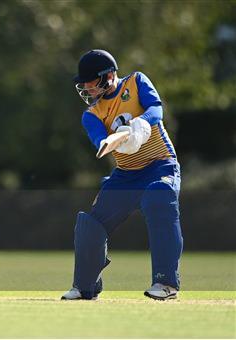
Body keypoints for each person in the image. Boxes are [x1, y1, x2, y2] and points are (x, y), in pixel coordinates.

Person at [62, 50, 183, 301]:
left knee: (159, 196)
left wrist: (141, 125)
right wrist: (118, 141)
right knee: (90, 223)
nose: (86, 88)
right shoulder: (92, 114)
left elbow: (156, 110)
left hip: (160, 165)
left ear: (108, 76)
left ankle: (166, 283)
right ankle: (85, 287)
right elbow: (101, 143)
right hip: (126, 175)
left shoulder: (136, 82)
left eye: (90, 82)